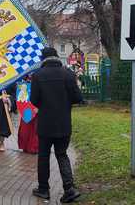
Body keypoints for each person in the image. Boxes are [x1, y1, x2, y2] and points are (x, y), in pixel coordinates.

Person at [30, 47, 83, 203]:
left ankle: (44, 189)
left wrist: (45, 104)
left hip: (45, 124)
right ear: (56, 57)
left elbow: (34, 100)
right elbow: (78, 97)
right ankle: (69, 189)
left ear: (43, 59)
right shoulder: (68, 74)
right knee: (62, 154)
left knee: (43, 156)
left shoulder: (38, 75)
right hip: (64, 123)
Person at [16, 76, 39, 154]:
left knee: (35, 128)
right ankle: (25, 146)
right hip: (26, 109)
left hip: (36, 108)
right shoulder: (23, 82)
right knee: (25, 129)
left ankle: (34, 147)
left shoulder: (39, 80)